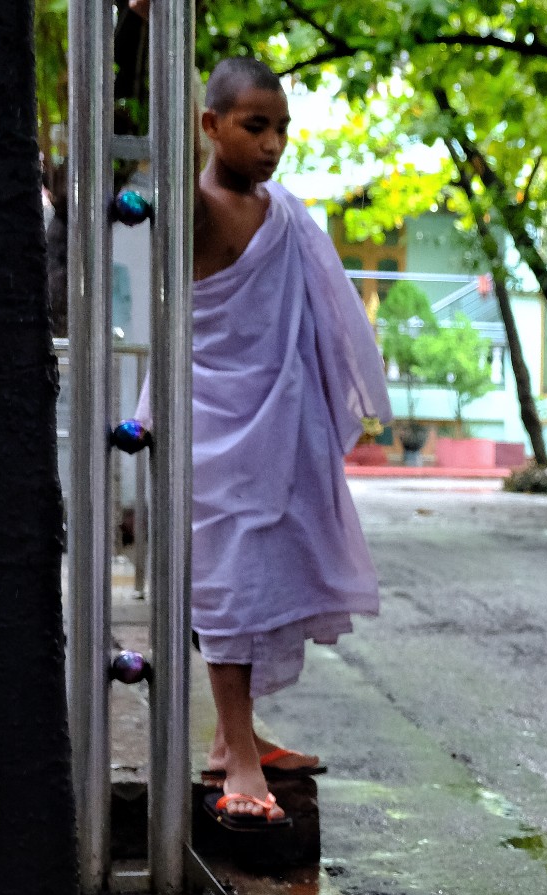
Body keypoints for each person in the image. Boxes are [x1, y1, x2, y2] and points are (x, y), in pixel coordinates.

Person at [161, 58, 389, 829]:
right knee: (228, 585)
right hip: (213, 422)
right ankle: (242, 758)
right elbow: (148, 135)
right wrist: (143, 28)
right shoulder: (193, 206)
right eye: (255, 126)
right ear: (209, 124)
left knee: (263, 576)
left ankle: (236, 737)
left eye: (282, 128)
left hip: (281, 421)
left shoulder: (284, 212)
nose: (273, 144)